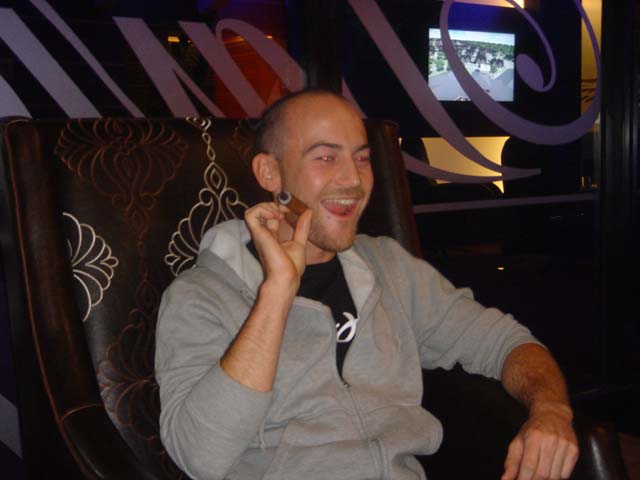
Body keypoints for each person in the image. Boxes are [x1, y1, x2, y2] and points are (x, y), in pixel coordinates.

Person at [155, 88, 578, 480]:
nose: (353, 180)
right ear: (270, 172)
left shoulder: (390, 268)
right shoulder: (200, 297)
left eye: (361, 159)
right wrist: (277, 293)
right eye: (325, 157)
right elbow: (200, 455)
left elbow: (506, 342)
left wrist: (552, 411)